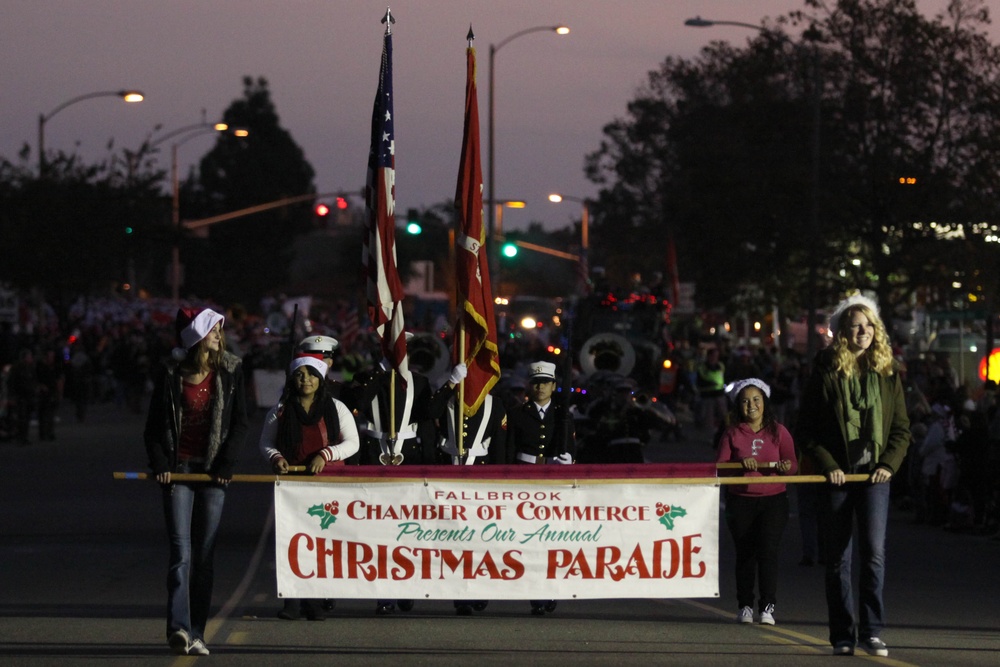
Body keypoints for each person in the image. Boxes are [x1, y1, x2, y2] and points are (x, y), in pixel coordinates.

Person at [796, 294, 911, 658]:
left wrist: (887, 465)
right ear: (842, 332)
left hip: (875, 478)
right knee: (837, 559)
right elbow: (807, 429)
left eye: (868, 325)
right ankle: (843, 634)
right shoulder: (826, 370)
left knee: (873, 555)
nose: (863, 331)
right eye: (855, 326)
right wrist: (829, 465)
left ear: (876, 330)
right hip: (838, 478)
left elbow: (902, 430)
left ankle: (872, 632)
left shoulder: (889, 371)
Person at [144, 307, 248, 656]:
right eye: (214, 330)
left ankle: (198, 632)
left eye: (220, 331)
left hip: (214, 471)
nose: (220, 336)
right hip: (179, 470)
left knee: (204, 555)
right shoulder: (171, 373)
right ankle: (179, 629)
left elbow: (240, 424)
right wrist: (160, 463)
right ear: (198, 337)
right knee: (181, 554)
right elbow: (154, 428)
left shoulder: (232, 370)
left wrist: (226, 463)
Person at [259, 352, 360, 621]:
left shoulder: (336, 408)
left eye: (311, 374)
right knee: (292, 542)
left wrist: (325, 455)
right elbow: (266, 443)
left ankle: (316, 601)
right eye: (300, 375)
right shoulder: (279, 410)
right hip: (292, 486)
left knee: (322, 543)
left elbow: (352, 442)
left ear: (320, 378)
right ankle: (291, 602)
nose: (306, 380)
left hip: (327, 486)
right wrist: (276, 457)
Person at [716, 378, 796, 626]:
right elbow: (719, 469)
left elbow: (793, 465)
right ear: (738, 406)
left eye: (756, 400)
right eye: (745, 401)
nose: (751, 405)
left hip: (773, 501)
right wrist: (739, 466)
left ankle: (768, 607)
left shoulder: (779, 431)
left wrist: (785, 467)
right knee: (745, 554)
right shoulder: (731, 433)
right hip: (740, 502)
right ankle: (745, 606)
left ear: (765, 402)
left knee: (768, 552)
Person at [506, 360, 574, 615]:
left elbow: (572, 450)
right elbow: (510, 450)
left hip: (553, 482)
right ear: (528, 385)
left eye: (545, 382)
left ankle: (548, 590)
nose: (540, 387)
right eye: (536, 382)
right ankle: (532, 591)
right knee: (527, 539)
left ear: (554, 385)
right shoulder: (517, 414)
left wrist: (569, 461)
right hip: (525, 479)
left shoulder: (563, 415)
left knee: (551, 539)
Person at [437, 377, 508, 616]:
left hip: (481, 477)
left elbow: (499, 445)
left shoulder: (495, 404)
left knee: (480, 538)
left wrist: (498, 482)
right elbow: (429, 411)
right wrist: (450, 383)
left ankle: (478, 589)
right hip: (448, 475)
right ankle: (460, 593)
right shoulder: (447, 399)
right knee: (453, 537)